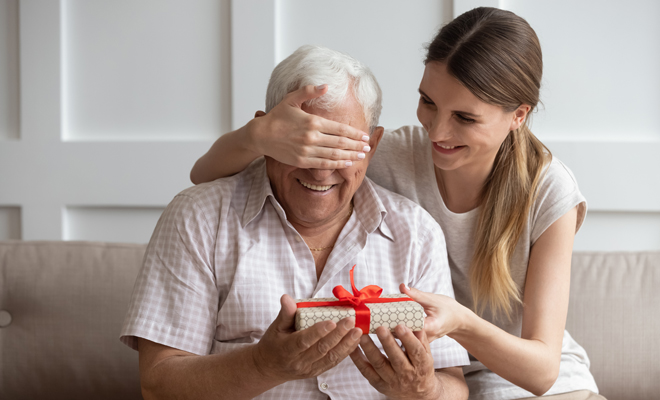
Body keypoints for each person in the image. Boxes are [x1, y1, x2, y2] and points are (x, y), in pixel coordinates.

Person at [188, 7, 605, 400]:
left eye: (465, 117)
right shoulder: (393, 154)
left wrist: (459, 321)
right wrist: (258, 136)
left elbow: (542, 370)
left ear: (518, 115)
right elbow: (206, 181)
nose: (437, 131)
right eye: (428, 102)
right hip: (444, 380)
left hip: (537, 385)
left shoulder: (550, 191)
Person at [121, 45, 470, 400]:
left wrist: (426, 391)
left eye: (340, 148)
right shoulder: (199, 218)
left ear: (374, 145)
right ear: (266, 132)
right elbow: (158, 385)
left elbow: (454, 385)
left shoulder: (416, 233)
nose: (320, 169)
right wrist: (262, 365)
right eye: (303, 144)